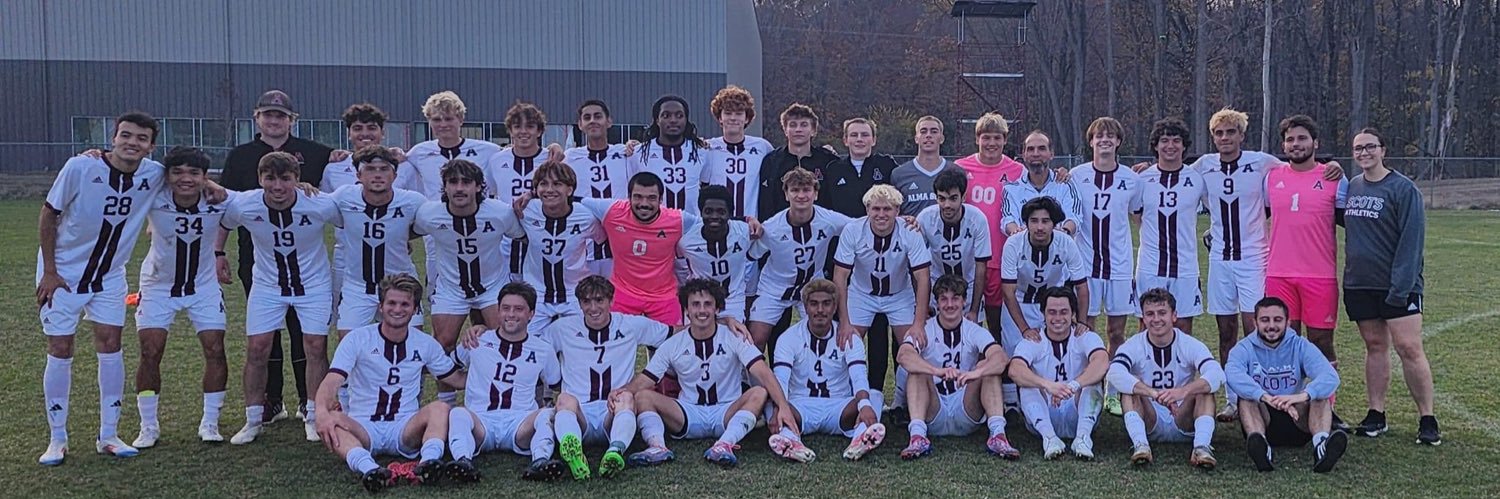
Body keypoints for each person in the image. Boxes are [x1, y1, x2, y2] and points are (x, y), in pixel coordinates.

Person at [36, 112, 219, 465]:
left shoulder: (153, 175)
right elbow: (48, 214)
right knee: (60, 346)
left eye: (141, 138)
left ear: (151, 146)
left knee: (111, 345)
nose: (132, 142)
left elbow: (187, 179)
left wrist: (211, 184)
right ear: (114, 137)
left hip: (109, 277)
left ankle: (109, 435)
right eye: (126, 135)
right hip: (62, 275)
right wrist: (50, 271)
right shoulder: (80, 167)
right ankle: (57, 439)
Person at [1183, 108, 1342, 422]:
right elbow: (1173, 173)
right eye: (1219, 133)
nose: (1225, 138)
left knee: (1256, 330)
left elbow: (1301, 170)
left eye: (1231, 132)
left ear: (1242, 135)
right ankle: (1235, 399)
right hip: (1219, 261)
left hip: (1255, 259)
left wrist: (1332, 164)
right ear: (1213, 137)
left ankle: (1271, 397)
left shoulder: (1263, 163)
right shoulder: (1203, 166)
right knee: (1225, 332)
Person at [220, 90, 335, 426]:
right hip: (259, 263)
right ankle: (262, 410)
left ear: (291, 120)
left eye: (280, 115)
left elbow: (348, 198)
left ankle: (310, 408)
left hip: (309, 276)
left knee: (310, 341)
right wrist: (216, 253)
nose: (273, 120)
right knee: (261, 345)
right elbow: (222, 202)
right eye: (267, 114)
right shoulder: (242, 160)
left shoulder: (314, 157)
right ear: (257, 118)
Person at [313, 274, 464, 493]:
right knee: (333, 420)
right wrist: (321, 412)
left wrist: (486, 362)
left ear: (414, 309)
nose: (398, 309)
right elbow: (331, 381)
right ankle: (370, 469)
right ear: (381, 306)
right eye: (391, 303)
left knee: (441, 408)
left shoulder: (425, 344)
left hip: (404, 427)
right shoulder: (357, 339)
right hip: (363, 427)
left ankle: (428, 464)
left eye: (405, 304)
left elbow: (456, 379)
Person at [624, 279, 797, 468]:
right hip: (688, 413)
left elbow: (763, 372)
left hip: (727, 411)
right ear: (686, 310)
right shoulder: (673, 344)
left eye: (708, 304)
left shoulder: (734, 336)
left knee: (759, 392)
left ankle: (724, 444)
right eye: (695, 304)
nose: (702, 310)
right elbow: (646, 379)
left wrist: (783, 406)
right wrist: (621, 392)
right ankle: (657, 446)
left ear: (717, 308)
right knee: (643, 396)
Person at [131, 147, 234, 448]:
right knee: (151, 352)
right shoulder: (154, 197)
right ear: (167, 176)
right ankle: (148, 426)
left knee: (215, 349)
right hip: (158, 286)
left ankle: (210, 422)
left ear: (205, 176)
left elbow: (261, 199)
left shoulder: (219, 201)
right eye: (177, 172)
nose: (185, 179)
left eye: (194, 173)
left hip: (203, 287)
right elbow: (132, 166)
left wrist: (216, 186)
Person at [1343, 128, 1440, 445]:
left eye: (1370, 147)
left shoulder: (1403, 189)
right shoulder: (1353, 187)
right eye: (1358, 149)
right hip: (1361, 284)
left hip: (1399, 285)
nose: (1364, 153)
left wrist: (1400, 287)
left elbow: (1412, 243)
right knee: (1375, 346)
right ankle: (1376, 413)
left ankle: (1427, 417)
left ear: (1383, 150)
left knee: (1409, 348)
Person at [412, 158, 522, 404]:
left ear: (479, 187)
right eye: (453, 182)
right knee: (443, 342)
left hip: (493, 286)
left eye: (466, 182)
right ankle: (446, 401)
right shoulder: (430, 213)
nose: (459, 188)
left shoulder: (499, 212)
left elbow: (523, 236)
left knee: (503, 339)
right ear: (444, 187)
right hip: (452, 288)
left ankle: (499, 395)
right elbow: (407, 231)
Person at [540, 276, 671, 480]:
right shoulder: (561, 329)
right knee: (564, 399)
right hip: (579, 413)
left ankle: (614, 451)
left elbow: (673, 336)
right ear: (580, 304)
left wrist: (724, 323)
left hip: (613, 411)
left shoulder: (631, 325)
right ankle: (574, 452)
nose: (593, 307)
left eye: (599, 300)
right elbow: (532, 347)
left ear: (611, 301)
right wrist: (485, 332)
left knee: (627, 397)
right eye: (586, 301)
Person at [446, 282, 566, 483]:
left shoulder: (542, 349)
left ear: (531, 314)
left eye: (519, 309)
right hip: (481, 421)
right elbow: (449, 367)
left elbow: (556, 384)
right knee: (458, 413)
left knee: (547, 414)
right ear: (498, 310)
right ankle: (463, 462)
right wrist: (468, 379)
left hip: (519, 424)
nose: (511, 314)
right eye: (506, 308)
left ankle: (540, 461)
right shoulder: (477, 340)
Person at [1068, 118, 1144, 418]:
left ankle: (1114, 389)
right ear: (1091, 142)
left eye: (1110, 136)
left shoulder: (1131, 179)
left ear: (1118, 142)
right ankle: (1090, 387)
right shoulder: (1076, 176)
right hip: (1086, 266)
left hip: (1120, 267)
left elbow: (1139, 216)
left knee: (1116, 331)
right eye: (1099, 136)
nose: (1104, 141)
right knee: (1086, 329)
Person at [896, 274, 1018, 460]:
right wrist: (935, 371)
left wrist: (975, 373)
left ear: (964, 302)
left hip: (965, 407)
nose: (950, 304)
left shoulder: (973, 329)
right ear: (936, 303)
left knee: (988, 366)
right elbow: (903, 355)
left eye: (955, 298)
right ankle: (918, 436)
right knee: (917, 370)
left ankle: (998, 435)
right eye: (943, 299)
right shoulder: (926, 329)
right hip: (933, 408)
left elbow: (1001, 358)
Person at [832, 185, 932, 405]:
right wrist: (845, 322)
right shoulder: (853, 230)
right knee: (846, 343)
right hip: (862, 293)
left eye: (887, 209)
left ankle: (901, 402)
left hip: (899, 294)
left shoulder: (909, 231)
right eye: (875, 208)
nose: (881, 214)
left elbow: (923, 278)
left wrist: (918, 322)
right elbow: (840, 277)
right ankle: (848, 398)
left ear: (897, 210)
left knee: (913, 345)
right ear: (867, 209)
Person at [770, 279, 887, 462]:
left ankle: (860, 438)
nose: (820, 310)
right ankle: (791, 440)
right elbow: (781, 380)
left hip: (839, 407)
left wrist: (863, 405)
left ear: (834, 307)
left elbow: (858, 376)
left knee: (874, 396)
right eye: (814, 304)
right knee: (773, 402)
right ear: (805, 307)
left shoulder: (849, 337)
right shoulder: (788, 338)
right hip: (800, 407)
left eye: (826, 304)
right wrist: (781, 408)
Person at [1107, 288, 1224, 470]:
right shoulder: (1134, 344)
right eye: (1150, 314)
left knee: (1204, 390)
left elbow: (1216, 374)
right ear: (1143, 318)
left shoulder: (1188, 344)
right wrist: (1152, 393)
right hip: (1149, 417)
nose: (1156, 319)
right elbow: (1114, 372)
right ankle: (1141, 445)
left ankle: (1201, 447)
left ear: (1174, 316)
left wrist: (1182, 392)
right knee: (1129, 390)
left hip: (1182, 416)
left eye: (1162, 313)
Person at [1227, 297, 1348, 472]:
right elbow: (1232, 375)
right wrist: (1266, 397)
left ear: (1288, 322)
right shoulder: (1243, 348)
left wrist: (1301, 396)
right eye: (1264, 320)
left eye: (1277, 320)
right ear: (1254, 322)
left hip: (1297, 418)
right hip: (1264, 419)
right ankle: (1262, 450)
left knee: (1319, 395)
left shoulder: (1300, 345)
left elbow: (1330, 376)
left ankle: (1321, 446)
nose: (1271, 326)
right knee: (1246, 398)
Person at [1266, 115, 1347, 365]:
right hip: (1279, 275)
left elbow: (1349, 222)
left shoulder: (1334, 178)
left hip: (1319, 275)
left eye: (1302, 138)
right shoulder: (1271, 177)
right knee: (1282, 341)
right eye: (1290, 140)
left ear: (1316, 143)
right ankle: (1289, 401)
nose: (1296, 144)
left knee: (1320, 342)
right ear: (1283, 146)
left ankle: (1326, 402)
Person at [748, 168, 854, 351]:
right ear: (786, 195)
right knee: (756, 339)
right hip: (774, 286)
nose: (801, 195)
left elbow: (859, 226)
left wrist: (899, 221)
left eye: (806, 190)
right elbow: (750, 255)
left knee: (822, 336)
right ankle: (747, 380)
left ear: (816, 194)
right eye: (795, 190)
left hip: (812, 286)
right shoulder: (772, 227)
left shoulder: (828, 219)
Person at [330, 145, 427, 337]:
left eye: (384, 169)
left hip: (402, 284)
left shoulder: (413, 201)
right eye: (370, 169)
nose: (377, 175)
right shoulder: (343, 197)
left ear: (395, 175)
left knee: (411, 345)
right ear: (358, 175)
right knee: (349, 345)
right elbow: (311, 205)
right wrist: (301, 188)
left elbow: (432, 222)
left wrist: (401, 236)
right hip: (358, 286)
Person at [1007, 286, 1107, 460]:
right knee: (1027, 384)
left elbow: (1102, 362)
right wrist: (1048, 385)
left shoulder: (1084, 336)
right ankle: (1049, 438)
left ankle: (1083, 438)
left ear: (1073, 313)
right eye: (1052, 312)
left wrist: (1073, 385)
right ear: (1043, 314)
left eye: (1063, 312)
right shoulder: (1034, 339)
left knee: (1093, 381)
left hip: (1078, 409)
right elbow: (1015, 370)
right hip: (1044, 410)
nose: (1058, 318)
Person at [1135, 118, 1206, 335]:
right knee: (1146, 326)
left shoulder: (1197, 178)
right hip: (1150, 265)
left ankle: (1180, 370)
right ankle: (1145, 370)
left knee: (1183, 328)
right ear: (1155, 145)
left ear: (1184, 146)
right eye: (1164, 140)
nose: (1170, 145)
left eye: (1176, 140)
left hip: (1185, 266)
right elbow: (1136, 215)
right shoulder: (1142, 178)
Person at [511, 159, 600, 332]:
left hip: (574, 293)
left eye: (557, 184)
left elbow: (602, 241)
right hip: (536, 293)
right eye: (544, 184)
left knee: (579, 346)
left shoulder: (586, 217)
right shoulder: (525, 210)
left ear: (570, 189)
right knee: (526, 344)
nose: (550, 190)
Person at [999, 197, 1091, 361]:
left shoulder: (1066, 242)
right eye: (1034, 221)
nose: (1040, 227)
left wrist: (1082, 321)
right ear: (1026, 223)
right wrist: (1025, 329)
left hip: (1051, 306)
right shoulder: (1013, 244)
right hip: (1019, 304)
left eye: (1045, 221)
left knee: (1052, 357)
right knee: (1015, 358)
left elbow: (1082, 286)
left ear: (1054, 224)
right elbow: (1008, 292)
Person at [483, 101, 552, 282]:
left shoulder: (550, 158)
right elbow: (489, 193)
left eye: (530, 126)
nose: (523, 131)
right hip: (507, 239)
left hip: (542, 234)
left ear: (539, 131)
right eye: (517, 126)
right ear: (510, 130)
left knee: (540, 288)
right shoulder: (497, 160)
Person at [565, 99, 632, 277]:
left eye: (598, 116)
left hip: (620, 241)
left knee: (617, 299)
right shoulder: (570, 157)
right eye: (587, 117)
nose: (593, 121)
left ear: (609, 121)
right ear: (580, 125)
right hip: (585, 245)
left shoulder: (625, 153)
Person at [915, 168, 991, 319]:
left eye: (953, 198)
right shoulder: (925, 218)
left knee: (970, 338)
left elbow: (981, 268)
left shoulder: (977, 219)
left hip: (968, 286)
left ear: (963, 197)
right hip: (935, 287)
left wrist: (974, 310)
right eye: (941, 198)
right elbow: (917, 267)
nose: (947, 205)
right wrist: (923, 305)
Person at [404, 91, 502, 201]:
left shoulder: (489, 151)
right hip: (437, 215)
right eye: (436, 120)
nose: (443, 124)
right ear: (429, 121)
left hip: (478, 215)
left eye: (448, 119)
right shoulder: (418, 153)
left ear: (461, 120)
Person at [633, 95, 721, 214]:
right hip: (654, 226)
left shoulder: (701, 151)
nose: (673, 120)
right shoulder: (639, 153)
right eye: (666, 115)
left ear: (686, 120)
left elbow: (705, 185)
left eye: (679, 115)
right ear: (657, 120)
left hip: (692, 226)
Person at [679, 185, 754, 323]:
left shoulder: (744, 232)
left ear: (730, 213)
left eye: (721, 211)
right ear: (700, 212)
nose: (714, 216)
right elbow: (679, 267)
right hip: (699, 300)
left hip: (733, 301)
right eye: (708, 211)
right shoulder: (686, 242)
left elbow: (760, 242)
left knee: (735, 340)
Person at [758, 104, 838, 218]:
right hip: (782, 229)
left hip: (821, 229)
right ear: (785, 130)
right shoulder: (772, 161)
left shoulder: (828, 160)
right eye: (793, 125)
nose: (798, 129)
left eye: (804, 125)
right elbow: (766, 201)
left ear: (813, 130)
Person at [708, 85, 773, 221]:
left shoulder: (762, 146)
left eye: (738, 114)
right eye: (728, 113)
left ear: (747, 118)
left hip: (750, 226)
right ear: (719, 117)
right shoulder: (708, 148)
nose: (733, 118)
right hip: (717, 224)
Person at [321, 103, 417, 193]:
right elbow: (328, 206)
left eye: (371, 128)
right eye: (357, 128)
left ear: (382, 133)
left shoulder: (403, 167)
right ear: (349, 133)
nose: (365, 134)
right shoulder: (333, 168)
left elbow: (416, 204)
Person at [1000, 130, 1081, 237]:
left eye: (1042, 148)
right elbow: (1008, 219)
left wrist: (1064, 233)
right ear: (1024, 155)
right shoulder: (1011, 190)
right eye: (1031, 149)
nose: (1036, 154)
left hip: (1059, 250)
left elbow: (1074, 217)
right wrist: (1017, 234)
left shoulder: (1065, 185)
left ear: (1051, 154)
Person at [819, 118, 898, 216]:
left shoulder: (887, 165)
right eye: (854, 135)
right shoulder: (833, 169)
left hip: (879, 228)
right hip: (844, 229)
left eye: (865, 135)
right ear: (845, 140)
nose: (859, 139)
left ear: (873, 140)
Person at [893, 115, 958, 216]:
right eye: (923, 131)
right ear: (916, 138)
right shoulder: (899, 174)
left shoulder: (955, 171)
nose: (928, 135)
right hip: (910, 231)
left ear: (941, 138)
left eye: (934, 131)